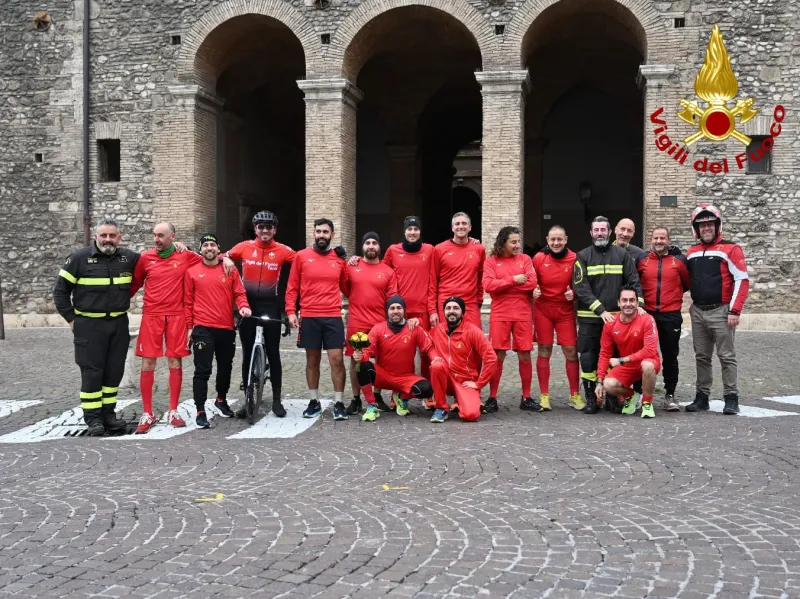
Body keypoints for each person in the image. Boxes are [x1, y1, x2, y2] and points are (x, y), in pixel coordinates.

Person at [53, 219, 138, 436]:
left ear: (119, 237)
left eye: (112, 236)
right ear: (96, 237)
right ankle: (93, 419)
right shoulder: (78, 259)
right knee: (92, 373)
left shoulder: (128, 258)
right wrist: (72, 320)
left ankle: (108, 415)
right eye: (104, 235)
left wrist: (179, 247)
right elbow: (60, 292)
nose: (108, 240)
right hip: (89, 325)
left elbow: (155, 261)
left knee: (114, 372)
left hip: (118, 324)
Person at [130, 222, 208, 434]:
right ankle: (148, 413)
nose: (156, 239)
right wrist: (117, 303)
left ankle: (173, 410)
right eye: (154, 235)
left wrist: (226, 259)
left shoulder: (185, 256)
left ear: (172, 237)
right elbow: (134, 283)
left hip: (176, 315)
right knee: (148, 362)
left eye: (161, 235)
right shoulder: (145, 258)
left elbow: (208, 261)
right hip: (152, 315)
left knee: (174, 360)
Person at [225, 211, 295, 418]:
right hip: (247, 305)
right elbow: (215, 255)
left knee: (273, 353)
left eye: (269, 227)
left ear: (274, 230)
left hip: (270, 305)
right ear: (255, 229)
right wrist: (226, 258)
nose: (265, 230)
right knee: (247, 353)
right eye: (261, 227)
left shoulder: (282, 250)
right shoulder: (244, 247)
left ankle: (276, 400)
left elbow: (307, 260)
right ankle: (248, 399)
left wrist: (336, 255)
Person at [573, 216, 644, 414]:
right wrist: (600, 310)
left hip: (616, 319)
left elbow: (634, 282)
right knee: (588, 358)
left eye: (603, 230)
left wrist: (638, 306)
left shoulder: (622, 255)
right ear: (591, 233)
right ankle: (591, 398)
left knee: (614, 357)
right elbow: (581, 287)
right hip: (589, 318)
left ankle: (611, 398)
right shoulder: (583, 256)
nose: (600, 233)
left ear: (609, 232)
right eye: (596, 230)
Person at [685, 204, 749, 415]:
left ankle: (731, 398)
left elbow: (742, 280)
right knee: (701, 357)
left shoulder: (731, 249)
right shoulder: (692, 252)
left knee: (726, 356)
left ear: (717, 226)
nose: (706, 228)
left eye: (710, 224)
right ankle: (702, 397)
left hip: (721, 311)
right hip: (698, 311)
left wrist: (735, 310)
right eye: (702, 225)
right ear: (696, 229)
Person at [184, 233, 252, 428]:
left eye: (212, 245)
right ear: (200, 250)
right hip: (202, 327)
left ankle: (221, 400)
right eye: (205, 245)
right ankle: (200, 410)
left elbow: (239, 293)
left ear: (218, 249)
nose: (209, 248)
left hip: (226, 327)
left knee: (225, 367)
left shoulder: (229, 269)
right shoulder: (192, 272)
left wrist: (244, 306)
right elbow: (187, 302)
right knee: (202, 370)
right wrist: (189, 328)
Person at [285, 218, 349, 420]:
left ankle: (339, 402)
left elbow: (347, 286)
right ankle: (314, 401)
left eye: (325, 232)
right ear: (313, 233)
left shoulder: (339, 258)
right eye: (318, 231)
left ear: (332, 235)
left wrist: (350, 262)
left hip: (332, 316)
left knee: (337, 360)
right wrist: (290, 311)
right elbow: (292, 286)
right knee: (312, 361)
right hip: (309, 315)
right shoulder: (301, 256)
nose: (322, 235)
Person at [353, 296, 444, 422]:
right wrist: (360, 356)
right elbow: (367, 351)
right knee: (362, 366)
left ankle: (401, 397)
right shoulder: (378, 328)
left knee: (427, 389)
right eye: (392, 308)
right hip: (384, 376)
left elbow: (429, 347)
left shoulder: (414, 328)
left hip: (405, 378)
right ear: (387, 311)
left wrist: (436, 358)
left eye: (399, 308)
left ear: (404, 310)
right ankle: (372, 405)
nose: (395, 311)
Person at [482, 226, 537, 412]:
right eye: (513, 242)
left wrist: (503, 286)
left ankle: (526, 397)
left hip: (522, 313)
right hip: (500, 314)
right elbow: (488, 285)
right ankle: (492, 397)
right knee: (497, 355)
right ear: (503, 243)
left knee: (525, 354)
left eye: (518, 241)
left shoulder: (525, 259)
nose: (517, 245)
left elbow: (532, 283)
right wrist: (514, 280)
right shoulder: (491, 262)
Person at [343, 232, 397, 415]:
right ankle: (356, 399)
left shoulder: (388, 272)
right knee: (355, 360)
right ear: (363, 246)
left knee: (380, 361)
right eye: (368, 243)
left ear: (379, 246)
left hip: (380, 323)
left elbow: (391, 298)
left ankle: (376, 396)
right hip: (357, 322)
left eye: (374, 243)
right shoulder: (352, 267)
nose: (371, 246)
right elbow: (345, 289)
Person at [636, 227, 689, 411]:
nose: (659, 241)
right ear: (651, 239)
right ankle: (639, 392)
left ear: (669, 240)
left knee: (670, 355)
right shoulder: (642, 261)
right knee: (642, 353)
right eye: (656, 238)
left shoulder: (678, 261)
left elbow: (686, 283)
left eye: (662, 238)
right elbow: (636, 283)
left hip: (670, 315)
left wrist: (672, 296)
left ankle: (670, 394)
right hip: (647, 314)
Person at [532, 225, 582, 411]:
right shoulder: (539, 258)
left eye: (560, 239)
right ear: (547, 240)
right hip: (543, 309)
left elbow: (582, 284)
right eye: (552, 239)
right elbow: (530, 281)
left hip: (565, 311)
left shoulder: (575, 258)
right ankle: (544, 395)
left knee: (571, 350)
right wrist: (532, 290)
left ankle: (574, 394)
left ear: (566, 240)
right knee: (544, 349)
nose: (556, 243)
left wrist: (574, 294)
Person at [595, 285, 660, 419]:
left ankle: (647, 403)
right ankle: (632, 396)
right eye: (624, 300)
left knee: (647, 366)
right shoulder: (610, 323)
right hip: (628, 365)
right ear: (618, 303)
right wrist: (599, 381)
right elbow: (605, 353)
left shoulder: (647, 319)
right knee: (608, 385)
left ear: (637, 303)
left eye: (632, 300)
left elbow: (650, 350)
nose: (628, 304)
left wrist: (621, 360)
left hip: (647, 361)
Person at [429, 297, 498, 422]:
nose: (451, 311)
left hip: (465, 380)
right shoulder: (437, 330)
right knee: (436, 366)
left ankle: (462, 400)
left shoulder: (473, 331)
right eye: (448, 308)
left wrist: (479, 383)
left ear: (462, 312)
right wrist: (415, 321)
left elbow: (491, 358)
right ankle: (441, 408)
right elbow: (423, 340)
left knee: (471, 415)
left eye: (456, 308)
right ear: (444, 312)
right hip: (446, 379)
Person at [429, 212, 486, 331]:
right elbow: (433, 281)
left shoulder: (479, 249)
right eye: (457, 224)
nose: (461, 226)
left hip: (470, 303)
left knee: (474, 338)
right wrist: (432, 310)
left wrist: (479, 300)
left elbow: (480, 277)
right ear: (452, 228)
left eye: (464, 223)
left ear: (470, 227)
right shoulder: (439, 249)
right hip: (447, 303)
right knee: (448, 339)